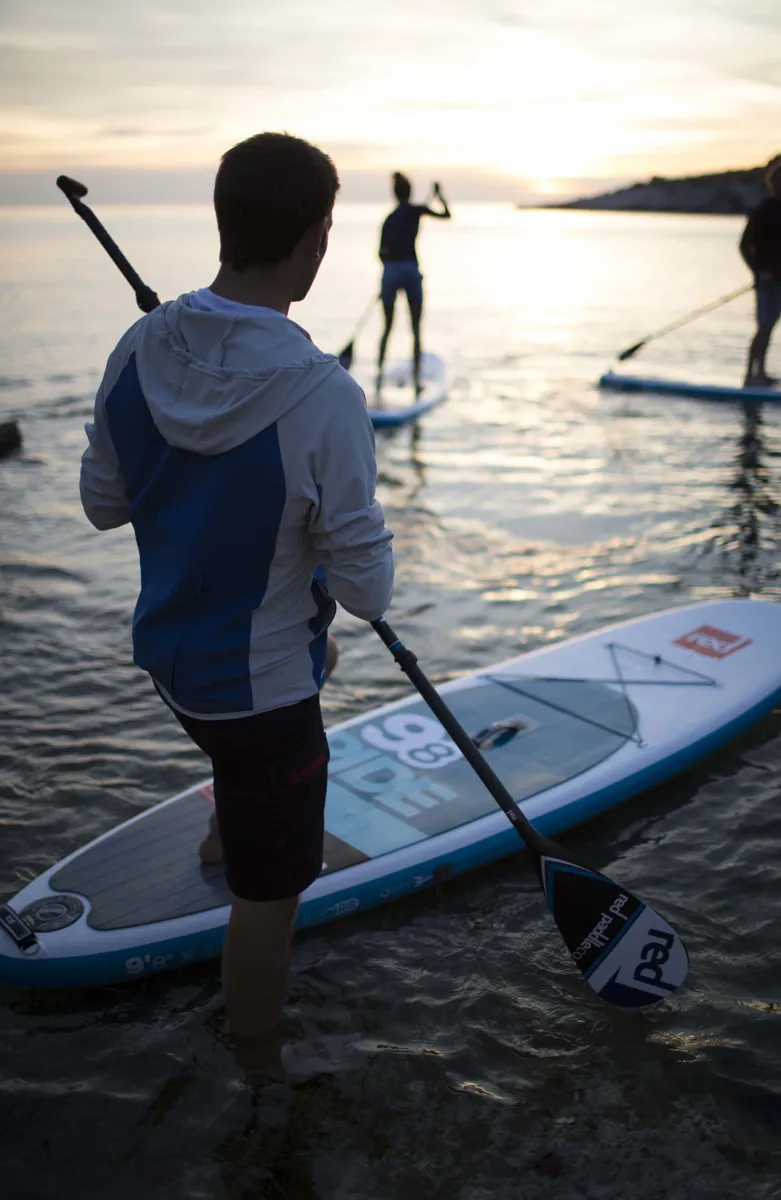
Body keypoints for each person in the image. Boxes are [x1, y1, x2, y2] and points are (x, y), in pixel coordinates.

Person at [79, 132, 394, 1085]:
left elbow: (102, 504)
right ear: (317, 239)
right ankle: (260, 1071)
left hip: (172, 666)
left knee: (293, 672)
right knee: (272, 893)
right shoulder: (323, 394)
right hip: (258, 698)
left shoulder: (139, 347)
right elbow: (367, 591)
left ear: (223, 222)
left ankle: (229, 822)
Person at [377, 172, 451, 395]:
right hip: (410, 270)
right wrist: (439, 195)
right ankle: (417, 381)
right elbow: (446, 215)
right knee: (416, 328)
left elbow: (380, 254)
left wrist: (389, 265)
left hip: (391, 272)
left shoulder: (389, 220)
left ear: (395, 194)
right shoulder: (417, 211)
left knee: (387, 327)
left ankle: (378, 378)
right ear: (410, 192)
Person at [739, 154, 781, 387]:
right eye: (777, 180)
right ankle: (751, 375)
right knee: (764, 325)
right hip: (765, 280)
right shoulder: (762, 210)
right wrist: (757, 271)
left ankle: (761, 372)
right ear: (771, 183)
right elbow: (744, 246)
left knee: (770, 325)